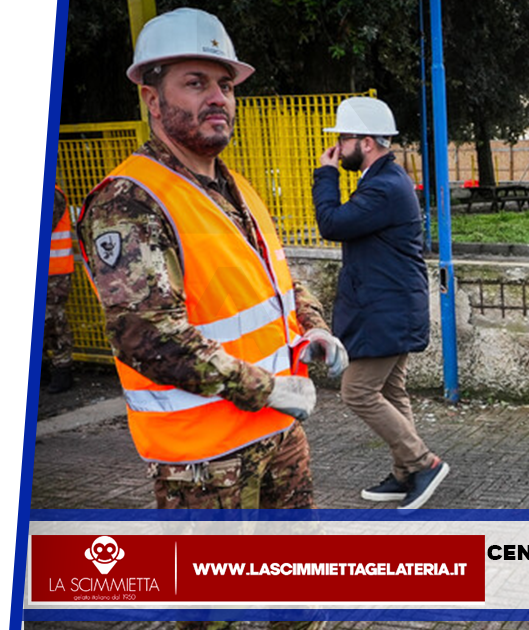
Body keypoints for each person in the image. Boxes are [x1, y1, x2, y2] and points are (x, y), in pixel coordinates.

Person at [77, 6, 347, 528]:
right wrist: (268, 389)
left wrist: (312, 327)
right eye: (195, 83)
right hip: (205, 464)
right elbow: (147, 336)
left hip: (279, 434)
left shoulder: (235, 186)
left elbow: (277, 279)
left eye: (225, 85)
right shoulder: (130, 202)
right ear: (152, 99)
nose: (218, 97)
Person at [312, 97, 447, 511]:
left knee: (357, 391)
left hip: (386, 310)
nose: (337, 148)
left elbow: (331, 224)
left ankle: (424, 463)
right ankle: (406, 472)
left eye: (343, 139)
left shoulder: (384, 187)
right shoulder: (384, 179)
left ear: (366, 142)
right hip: (391, 306)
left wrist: (326, 174)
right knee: (390, 389)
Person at [43, 184, 75, 393]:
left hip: (54, 272)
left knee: (54, 321)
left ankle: (62, 369)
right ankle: (44, 369)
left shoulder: (52, 193)